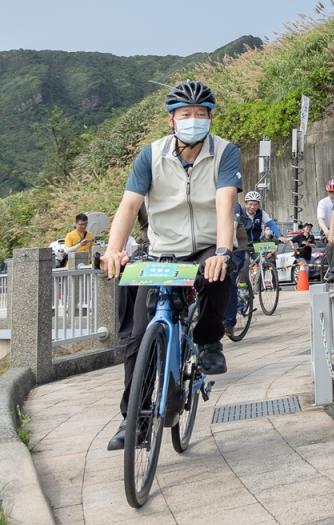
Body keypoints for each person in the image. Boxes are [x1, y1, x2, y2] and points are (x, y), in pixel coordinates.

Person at [100, 80, 241, 451]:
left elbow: (225, 204)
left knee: (220, 272)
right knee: (138, 335)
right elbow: (129, 206)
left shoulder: (225, 153)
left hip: (207, 245)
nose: (193, 121)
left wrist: (223, 251)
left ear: (210, 118)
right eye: (185, 115)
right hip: (163, 253)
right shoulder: (150, 155)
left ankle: (209, 340)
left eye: (200, 114)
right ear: (171, 120)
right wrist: (114, 250)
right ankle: (135, 420)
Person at [224, 191, 284, 333]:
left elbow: (271, 225)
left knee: (264, 257)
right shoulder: (240, 212)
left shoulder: (261, 214)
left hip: (255, 245)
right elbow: (233, 225)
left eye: (255, 204)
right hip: (241, 245)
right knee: (241, 269)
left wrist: (280, 236)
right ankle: (243, 288)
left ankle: (254, 284)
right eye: (250, 204)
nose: (252, 207)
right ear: (246, 204)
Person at [318, 178, 334, 281]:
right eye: (331, 193)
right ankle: (333, 270)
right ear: (328, 192)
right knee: (330, 244)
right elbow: (320, 219)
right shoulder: (323, 203)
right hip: (327, 229)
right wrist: (327, 231)